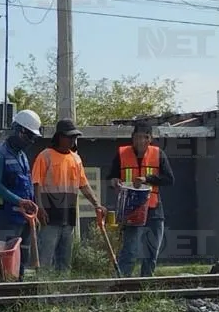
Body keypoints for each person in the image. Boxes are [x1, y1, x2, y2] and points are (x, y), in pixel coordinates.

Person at [32, 118, 105, 271]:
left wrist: (96, 204)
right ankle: (43, 292)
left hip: (68, 216)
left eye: (74, 137)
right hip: (49, 216)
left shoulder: (76, 159)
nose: (73, 140)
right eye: (69, 136)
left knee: (64, 262)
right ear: (59, 137)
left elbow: (83, 185)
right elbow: (36, 183)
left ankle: (62, 292)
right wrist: (39, 207)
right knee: (45, 258)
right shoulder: (45, 156)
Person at [107, 121, 174, 277]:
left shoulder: (158, 154)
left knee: (152, 250)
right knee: (130, 250)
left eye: (144, 137)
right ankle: (122, 283)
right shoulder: (122, 153)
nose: (140, 141)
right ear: (132, 138)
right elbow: (111, 177)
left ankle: (145, 283)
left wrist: (147, 179)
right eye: (137, 137)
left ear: (150, 138)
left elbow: (169, 179)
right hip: (131, 209)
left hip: (154, 207)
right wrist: (114, 181)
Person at [0, 109, 42, 278]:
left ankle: (20, 290)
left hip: (25, 217)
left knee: (23, 256)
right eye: (29, 136)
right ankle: (6, 290)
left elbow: (26, 184)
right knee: (8, 256)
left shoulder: (22, 156)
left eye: (34, 137)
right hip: (8, 216)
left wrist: (32, 210)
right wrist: (19, 202)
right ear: (18, 130)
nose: (31, 141)